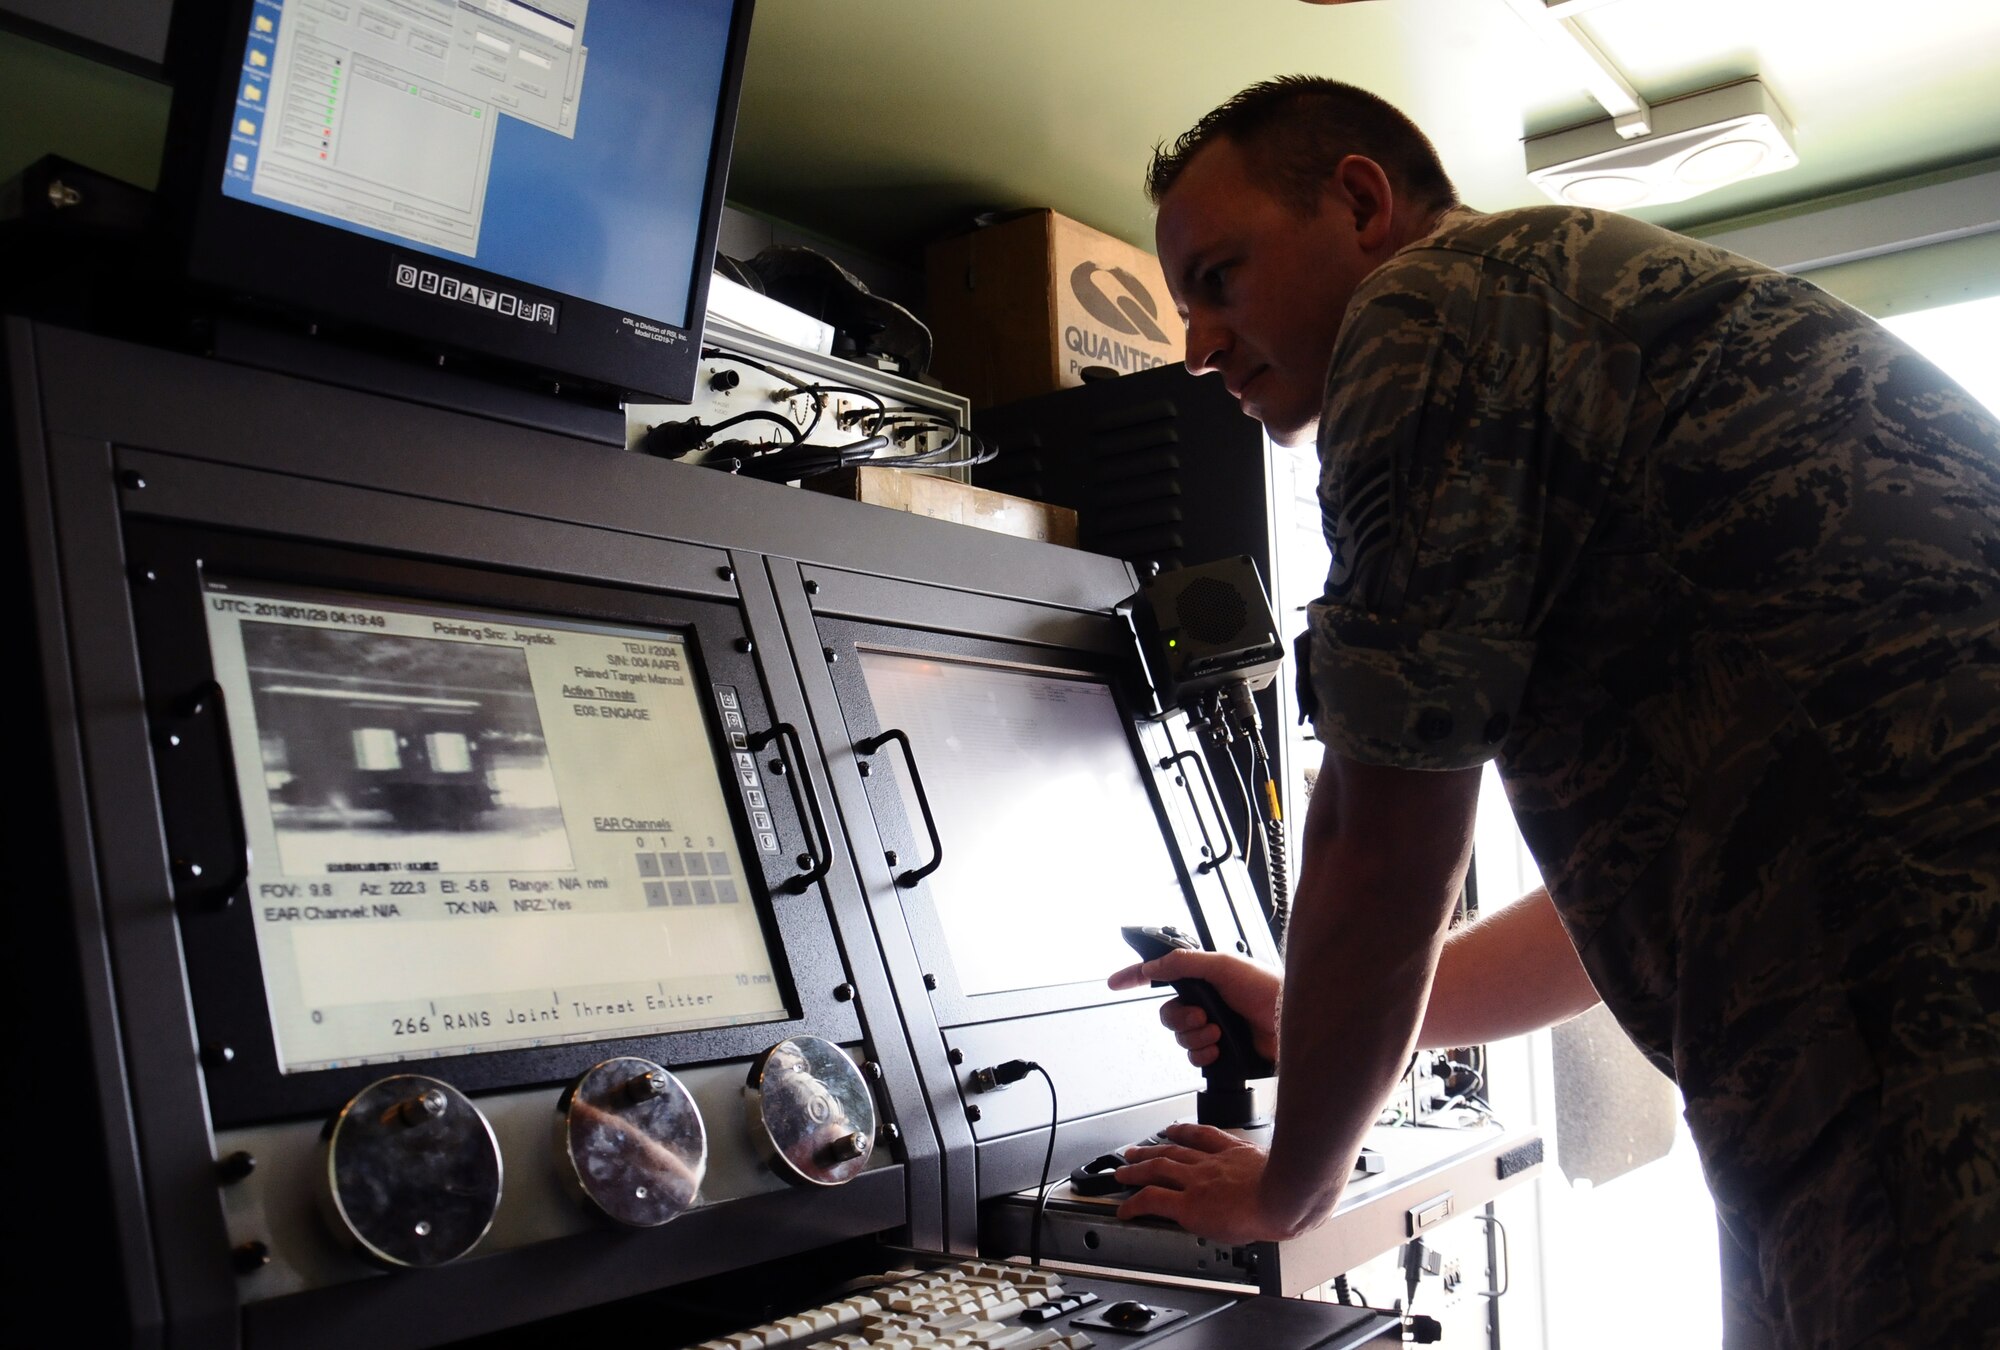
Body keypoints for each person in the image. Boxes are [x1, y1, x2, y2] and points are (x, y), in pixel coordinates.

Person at [1103, 76, 2000, 1348]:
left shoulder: (1427, 309)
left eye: (1219, 277)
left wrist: (1283, 1189)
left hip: (1925, 1032)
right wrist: (1307, 1016)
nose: (1197, 343)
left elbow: (1381, 834)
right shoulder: (1574, 319)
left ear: (1359, 202)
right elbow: (1629, 904)